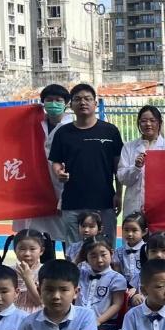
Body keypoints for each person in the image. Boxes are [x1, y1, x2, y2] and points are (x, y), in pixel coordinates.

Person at [48, 83, 124, 244]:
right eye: (77, 99)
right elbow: (56, 161)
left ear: (95, 103)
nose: (83, 102)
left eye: (87, 99)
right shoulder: (63, 132)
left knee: (104, 249)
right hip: (72, 202)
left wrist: (118, 193)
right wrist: (58, 172)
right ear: (71, 105)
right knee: (74, 250)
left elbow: (118, 165)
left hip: (104, 201)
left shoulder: (110, 131)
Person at [13, 83, 73, 242]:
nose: (53, 103)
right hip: (37, 185)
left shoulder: (72, 127)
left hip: (64, 184)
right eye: (49, 100)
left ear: (66, 103)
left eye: (58, 100)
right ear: (43, 103)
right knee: (39, 237)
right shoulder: (32, 125)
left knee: (69, 235)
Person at [117, 105, 165, 218]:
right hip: (134, 205)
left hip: (161, 206)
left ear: (159, 123)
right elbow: (122, 178)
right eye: (144, 121)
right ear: (139, 123)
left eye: (152, 120)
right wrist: (136, 168)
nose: (148, 124)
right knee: (134, 229)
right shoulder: (129, 147)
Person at [77, 236, 128, 330]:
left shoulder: (117, 278)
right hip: (79, 321)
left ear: (111, 253)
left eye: (103, 255)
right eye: (93, 256)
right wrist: (78, 259)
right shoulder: (80, 273)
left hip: (105, 324)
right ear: (86, 258)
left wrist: (98, 321)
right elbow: (64, 274)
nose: (99, 260)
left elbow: (117, 304)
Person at [1, 229, 56, 314]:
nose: (27, 253)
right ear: (15, 250)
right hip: (12, 315)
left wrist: (27, 278)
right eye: (22, 249)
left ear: (41, 251)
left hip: (36, 316)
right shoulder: (8, 272)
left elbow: (40, 301)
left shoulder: (47, 271)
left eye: (32, 249)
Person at [114, 211, 148, 284]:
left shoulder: (147, 250)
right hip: (124, 286)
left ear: (144, 232)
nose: (129, 234)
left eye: (134, 230)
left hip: (143, 286)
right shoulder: (119, 252)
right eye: (126, 230)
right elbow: (118, 272)